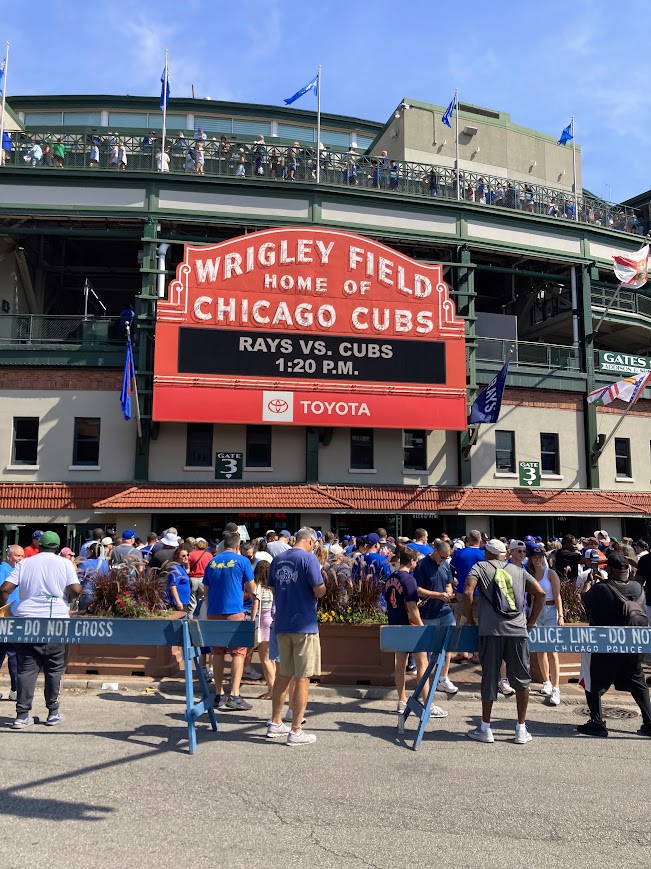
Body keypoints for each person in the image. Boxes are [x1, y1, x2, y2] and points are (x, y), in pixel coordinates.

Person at [463, 538, 545, 744]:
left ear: (487, 553)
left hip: (491, 631)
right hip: (518, 630)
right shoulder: (518, 570)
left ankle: (485, 728)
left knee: (489, 677)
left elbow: (467, 591)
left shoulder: (480, 567)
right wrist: (531, 621)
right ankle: (520, 728)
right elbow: (541, 594)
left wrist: (470, 620)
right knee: (522, 680)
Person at [0, 531, 81, 728]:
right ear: (57, 547)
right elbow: (75, 589)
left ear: (40, 545)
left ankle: (22, 716)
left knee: (26, 669)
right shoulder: (64, 563)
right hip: (56, 621)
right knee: (55, 668)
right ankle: (53, 713)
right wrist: (69, 596)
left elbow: (5, 589)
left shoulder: (25, 563)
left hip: (27, 621)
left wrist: (3, 609)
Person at [578, 552, 651, 737]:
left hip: (605, 646)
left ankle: (597, 723)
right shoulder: (637, 588)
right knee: (639, 684)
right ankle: (649, 723)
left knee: (594, 683)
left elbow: (583, 600)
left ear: (610, 570)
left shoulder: (601, 589)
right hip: (631, 646)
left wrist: (589, 582)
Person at [266, 527, 325, 745]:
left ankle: (275, 721)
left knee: (283, 674)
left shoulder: (278, 559)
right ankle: (296, 730)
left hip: (282, 623)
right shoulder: (308, 559)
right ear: (310, 541)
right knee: (302, 677)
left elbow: (273, 588)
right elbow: (319, 589)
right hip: (304, 624)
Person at [385, 546, 446, 717]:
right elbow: (412, 607)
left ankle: (402, 700)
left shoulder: (391, 578)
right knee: (422, 664)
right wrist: (421, 626)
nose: (417, 563)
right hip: (410, 626)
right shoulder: (409, 579)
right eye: (416, 561)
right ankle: (427, 703)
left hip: (395, 624)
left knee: (400, 664)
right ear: (411, 561)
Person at [203, 530, 255, 711]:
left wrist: (211, 609)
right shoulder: (243, 561)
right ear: (238, 546)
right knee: (238, 653)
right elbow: (252, 589)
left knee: (217, 652)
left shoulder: (212, 562)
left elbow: (206, 592)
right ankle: (234, 694)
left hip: (214, 612)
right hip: (235, 611)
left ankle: (218, 693)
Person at [414, 539, 458, 696]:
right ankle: (425, 681)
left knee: (448, 644)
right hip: (428, 612)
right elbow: (417, 589)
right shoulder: (422, 565)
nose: (444, 560)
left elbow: (449, 583)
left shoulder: (445, 565)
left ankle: (443, 678)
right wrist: (437, 595)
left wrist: (448, 592)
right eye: (442, 557)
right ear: (435, 551)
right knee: (426, 648)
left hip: (444, 610)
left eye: (447, 557)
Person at [528, 544, 563, 705]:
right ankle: (546, 681)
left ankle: (556, 687)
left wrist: (560, 615)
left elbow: (557, 596)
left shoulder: (550, 573)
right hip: (536, 611)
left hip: (550, 610)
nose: (537, 560)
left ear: (544, 557)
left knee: (552, 650)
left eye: (540, 557)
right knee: (540, 649)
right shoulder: (531, 574)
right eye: (534, 557)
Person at [450, 530, 484, 663]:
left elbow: (451, 571)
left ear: (468, 540)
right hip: (480, 592)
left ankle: (462, 651)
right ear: (480, 540)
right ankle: (477, 653)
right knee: (479, 622)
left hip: (462, 591)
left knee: (461, 621)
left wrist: (455, 582)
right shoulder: (483, 554)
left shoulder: (459, 553)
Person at [0, 544, 24, 701]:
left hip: (15, 618)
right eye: (17, 556)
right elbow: (2, 591)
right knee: (13, 654)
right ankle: (15, 689)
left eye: (22, 556)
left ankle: (15, 689)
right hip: (5, 619)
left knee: (12, 655)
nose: (20, 559)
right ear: (8, 556)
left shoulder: (17, 570)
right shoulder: (3, 570)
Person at [251, 560, 275, 699]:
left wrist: (251, 620)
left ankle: (272, 689)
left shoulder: (258, 587)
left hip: (263, 621)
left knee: (264, 658)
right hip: (273, 620)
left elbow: (255, 604)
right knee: (272, 658)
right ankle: (275, 686)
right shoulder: (273, 587)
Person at [187, 537, 211, 615]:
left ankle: (191, 619)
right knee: (202, 602)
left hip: (192, 579)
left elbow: (188, 569)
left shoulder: (191, 554)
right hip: (204, 580)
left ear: (195, 545)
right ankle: (201, 618)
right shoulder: (209, 555)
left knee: (192, 603)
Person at [164, 546, 192, 612]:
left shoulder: (181, 567)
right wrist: (178, 602)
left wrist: (187, 564)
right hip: (178, 602)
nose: (186, 557)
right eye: (183, 556)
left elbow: (186, 573)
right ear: (177, 557)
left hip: (185, 601)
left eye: (187, 555)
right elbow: (173, 586)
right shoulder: (175, 568)